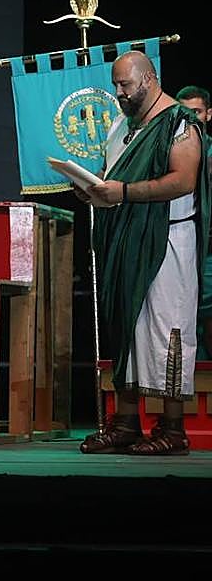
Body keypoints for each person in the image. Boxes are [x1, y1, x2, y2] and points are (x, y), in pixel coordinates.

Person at [77, 53, 207, 455]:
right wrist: (95, 191)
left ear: (149, 80)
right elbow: (112, 177)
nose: (119, 93)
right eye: (116, 85)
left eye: (126, 86)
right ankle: (127, 424)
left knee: (166, 330)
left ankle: (172, 429)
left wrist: (125, 192)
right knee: (126, 327)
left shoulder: (180, 125)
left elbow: (183, 181)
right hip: (125, 241)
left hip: (166, 242)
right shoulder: (122, 126)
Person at [176, 84, 212, 360]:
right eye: (184, 112)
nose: (191, 118)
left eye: (196, 112)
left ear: (208, 114)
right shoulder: (171, 153)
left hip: (208, 246)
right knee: (185, 315)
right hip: (181, 241)